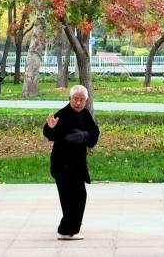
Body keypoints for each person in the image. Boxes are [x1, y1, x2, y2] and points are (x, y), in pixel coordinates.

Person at [43, 84, 99, 240]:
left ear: (86, 100)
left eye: (82, 100)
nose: (79, 103)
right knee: (69, 197)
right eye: (76, 99)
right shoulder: (63, 114)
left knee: (80, 196)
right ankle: (66, 230)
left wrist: (85, 136)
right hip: (63, 165)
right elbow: (50, 133)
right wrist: (51, 128)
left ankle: (71, 228)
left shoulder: (85, 114)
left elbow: (94, 132)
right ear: (70, 98)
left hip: (77, 165)